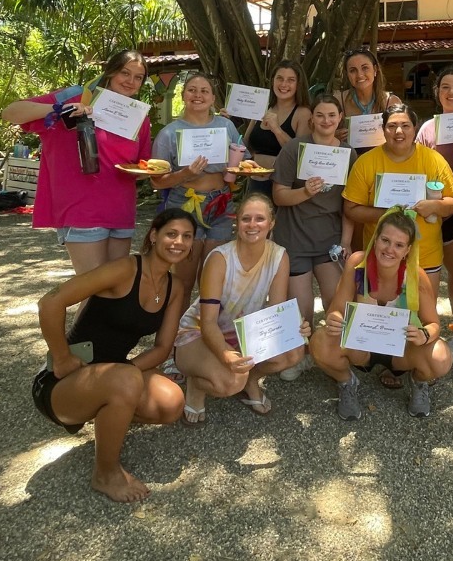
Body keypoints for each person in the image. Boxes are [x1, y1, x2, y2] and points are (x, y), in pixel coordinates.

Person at [30, 208, 196, 502]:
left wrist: (127, 371)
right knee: (126, 380)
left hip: (112, 375)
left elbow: (161, 349)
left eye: (187, 237)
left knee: (172, 403)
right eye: (171, 234)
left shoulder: (176, 287)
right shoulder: (125, 269)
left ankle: (111, 411)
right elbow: (50, 303)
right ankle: (105, 474)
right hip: (61, 384)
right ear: (154, 235)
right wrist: (62, 356)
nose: (178, 242)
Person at [2, 49, 152, 275]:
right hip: (81, 210)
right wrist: (60, 109)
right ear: (110, 72)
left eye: (138, 77)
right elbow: (10, 112)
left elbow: (142, 166)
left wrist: (152, 172)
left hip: (120, 211)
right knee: (91, 291)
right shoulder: (76, 97)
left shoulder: (138, 117)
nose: (130, 81)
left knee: (113, 291)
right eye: (125, 73)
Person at [174, 194, 308, 424]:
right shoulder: (220, 258)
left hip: (245, 332)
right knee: (229, 382)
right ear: (237, 222)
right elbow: (207, 323)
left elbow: (275, 310)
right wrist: (226, 355)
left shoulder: (279, 255)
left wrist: (294, 327)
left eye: (260, 219)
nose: (253, 225)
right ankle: (196, 384)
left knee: (294, 351)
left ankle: (250, 380)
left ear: (271, 224)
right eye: (246, 219)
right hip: (198, 333)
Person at [310, 207, 452, 419]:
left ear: (408, 250)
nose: (390, 249)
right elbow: (337, 310)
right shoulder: (357, 264)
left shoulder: (416, 275)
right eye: (385, 240)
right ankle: (346, 381)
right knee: (320, 341)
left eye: (399, 245)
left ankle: (419, 382)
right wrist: (335, 319)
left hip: (400, 351)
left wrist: (423, 334)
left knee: (440, 357)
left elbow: (433, 324)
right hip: (361, 346)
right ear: (375, 239)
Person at [271, 92, 357, 380]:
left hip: (329, 240)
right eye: (320, 115)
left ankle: (333, 351)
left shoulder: (348, 153)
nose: (326, 120)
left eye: (332, 115)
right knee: (302, 306)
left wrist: (345, 242)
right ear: (312, 119)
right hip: (294, 237)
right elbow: (279, 196)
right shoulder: (295, 148)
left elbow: (349, 203)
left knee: (337, 300)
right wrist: (305, 191)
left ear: (340, 119)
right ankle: (302, 354)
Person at [343, 103, 453, 313]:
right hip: (381, 256)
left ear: (415, 128)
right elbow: (350, 208)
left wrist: (434, 205)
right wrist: (389, 214)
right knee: (376, 321)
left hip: (425, 256)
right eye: (392, 126)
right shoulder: (366, 162)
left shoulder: (433, 160)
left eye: (405, 126)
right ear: (383, 130)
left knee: (421, 319)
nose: (398, 131)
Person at [149, 72, 246, 296]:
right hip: (184, 203)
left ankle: (205, 329)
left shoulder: (226, 127)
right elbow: (157, 181)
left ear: (213, 98)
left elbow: (242, 160)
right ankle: (177, 329)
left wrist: (239, 168)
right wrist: (184, 174)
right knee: (183, 279)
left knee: (214, 278)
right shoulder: (168, 133)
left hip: (221, 204)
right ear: (183, 96)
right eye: (192, 90)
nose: (198, 95)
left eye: (204, 91)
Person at [414, 66, 453, 360]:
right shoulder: (428, 128)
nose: (452, 92)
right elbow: (419, 167)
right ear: (437, 93)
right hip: (446, 212)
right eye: (445, 87)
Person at [243, 60, 312, 195]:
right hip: (255, 183)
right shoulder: (262, 107)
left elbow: (299, 155)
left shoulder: (303, 113)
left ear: (298, 84)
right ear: (273, 81)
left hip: (282, 187)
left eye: (291, 80)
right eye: (279, 78)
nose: (284, 84)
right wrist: (226, 124)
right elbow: (245, 146)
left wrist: (277, 129)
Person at [335, 47, 399, 149]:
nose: (359, 75)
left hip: (383, 160)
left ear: (375, 70)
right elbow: (318, 134)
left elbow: (402, 136)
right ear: (347, 74)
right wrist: (332, 136)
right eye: (353, 70)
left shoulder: (391, 102)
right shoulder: (338, 101)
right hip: (351, 161)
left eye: (365, 68)